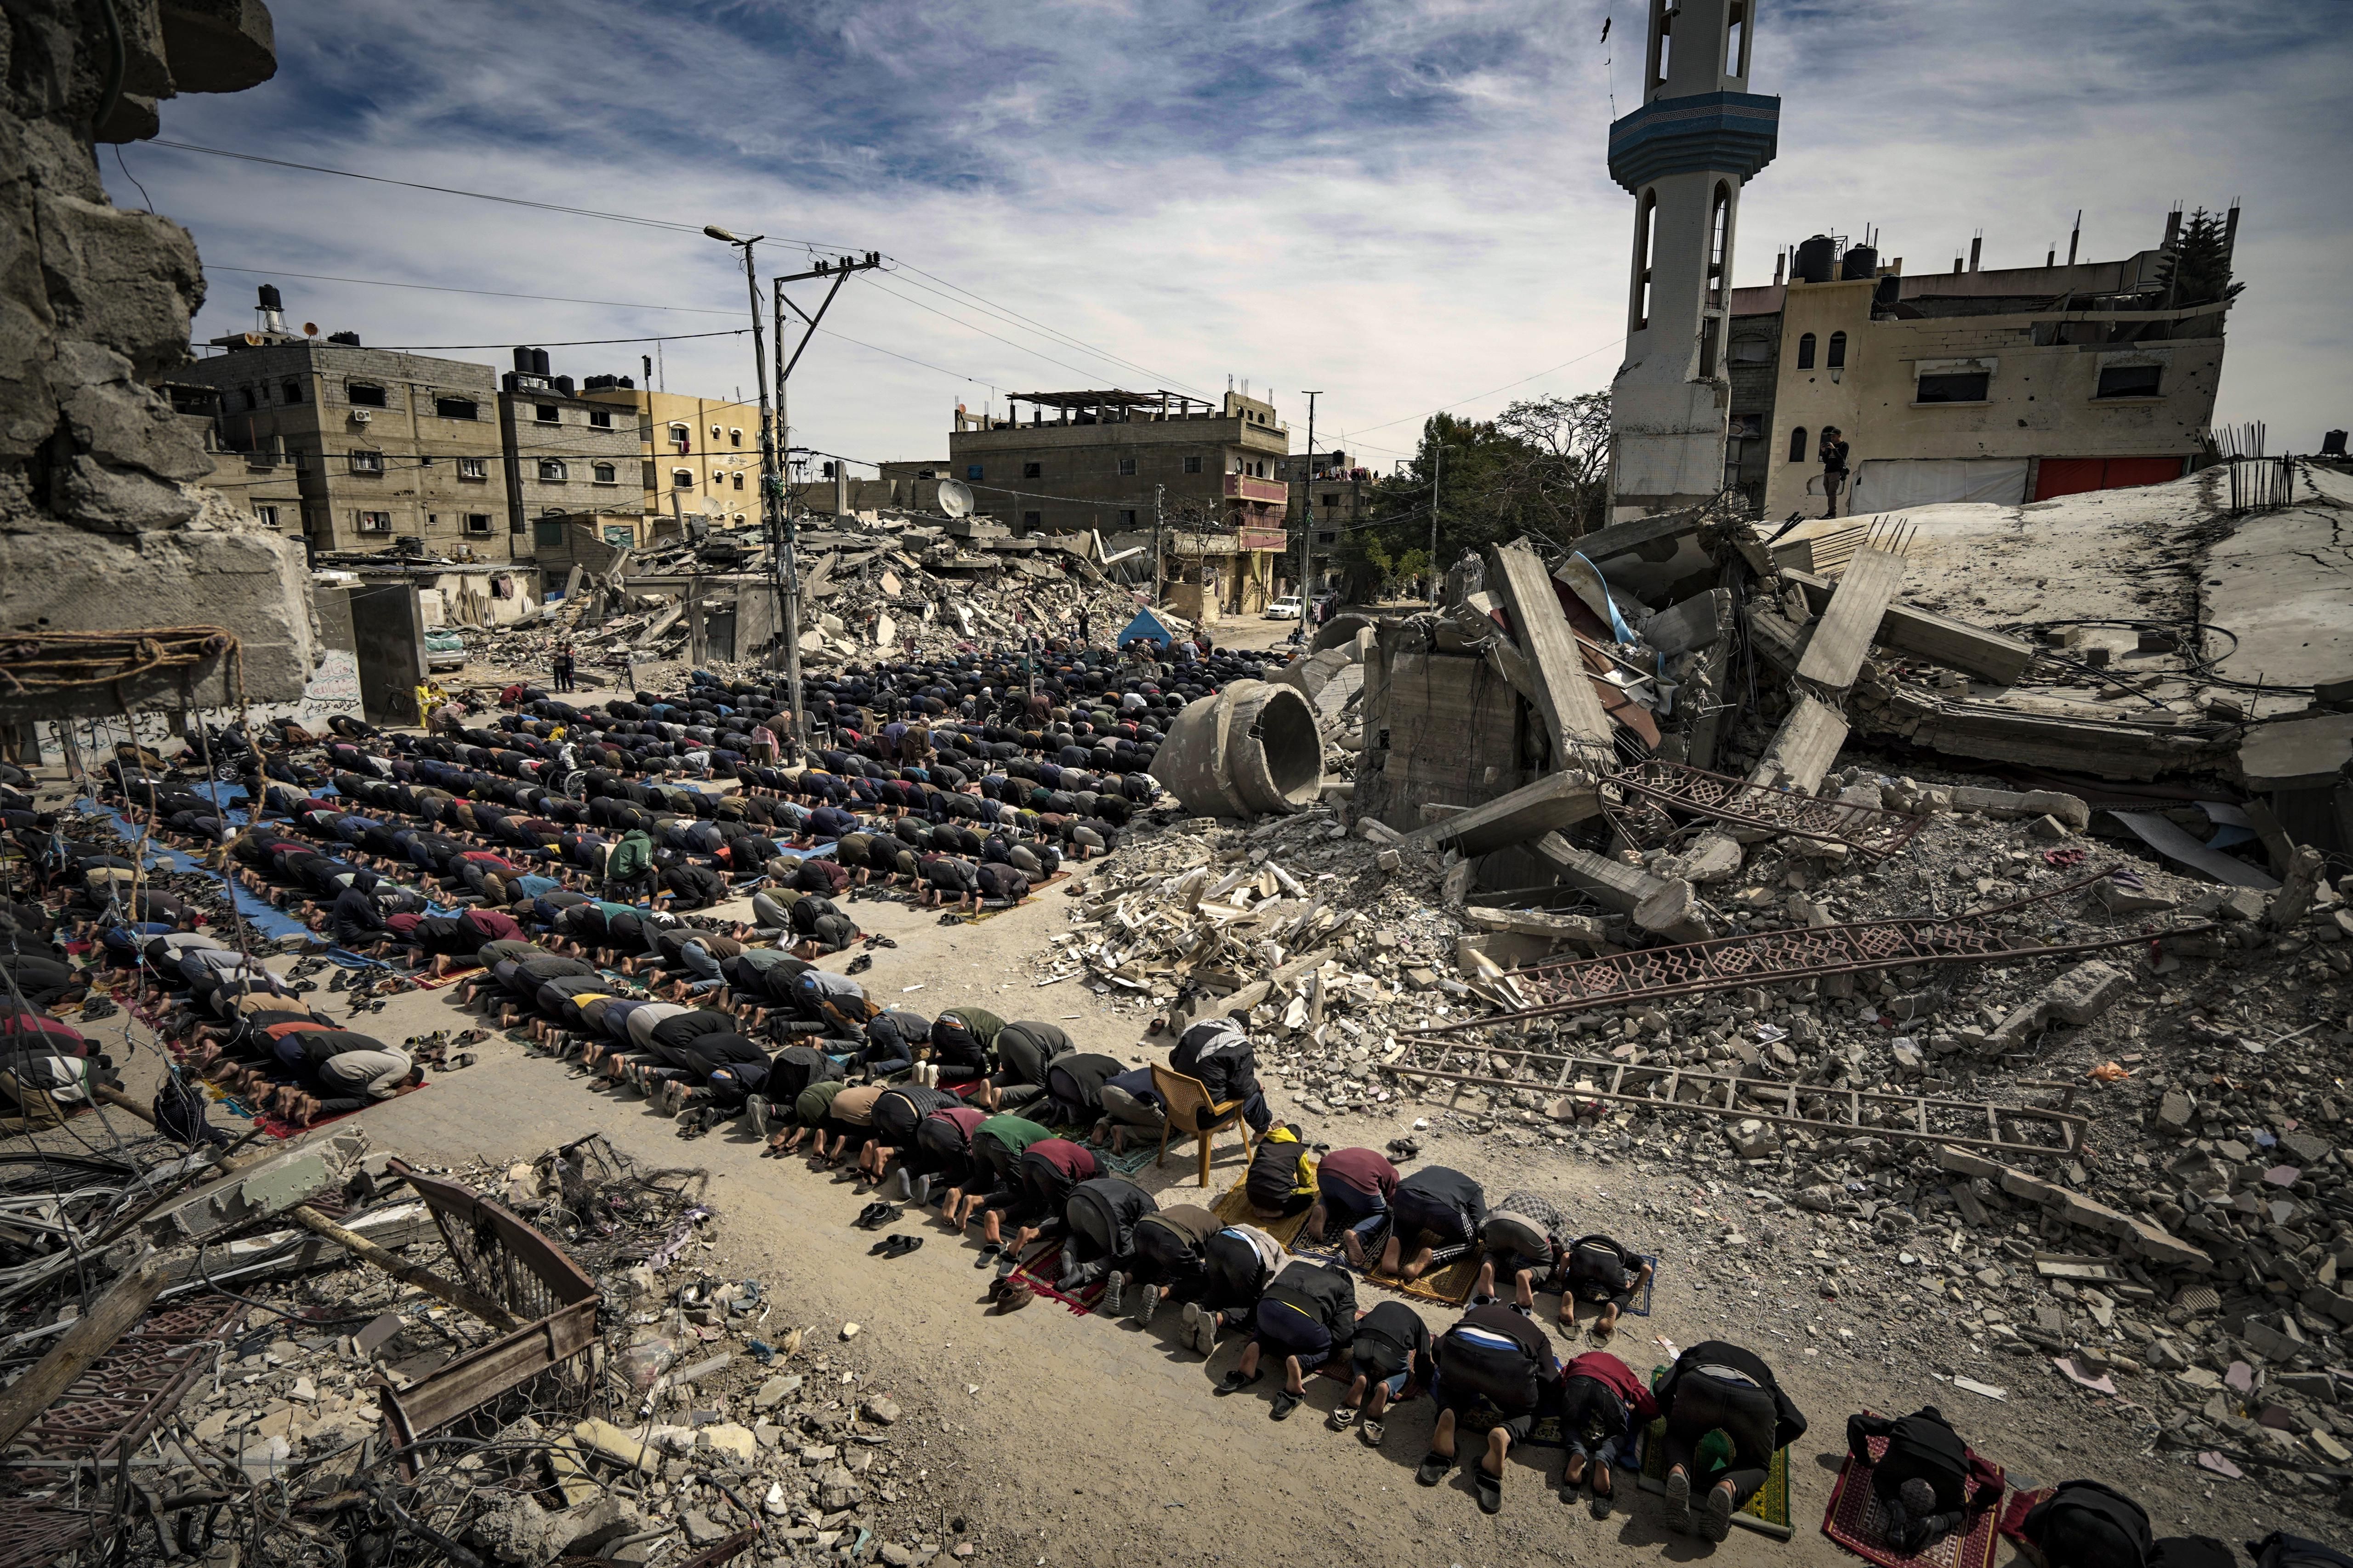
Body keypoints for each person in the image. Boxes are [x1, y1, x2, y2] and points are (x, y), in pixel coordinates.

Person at [1654, 1340, 1808, 1541]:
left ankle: (1678, 1471)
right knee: (1756, 1465)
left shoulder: (1695, 1352)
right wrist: (1765, 1448)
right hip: (1753, 1400)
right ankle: (1728, 1487)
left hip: (1700, 1387)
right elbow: (1797, 1423)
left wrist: (1675, 1421)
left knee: (1677, 1439)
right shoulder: (1764, 1372)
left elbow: (1661, 1388)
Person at [1417, 1301, 1561, 1514]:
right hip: (1508, 1367)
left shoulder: (1477, 1311)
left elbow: (1438, 1347)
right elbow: (1550, 1380)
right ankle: (1505, 1433)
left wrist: (1450, 1370)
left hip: (1460, 1352)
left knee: (1450, 1389)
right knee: (1530, 1411)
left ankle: (1449, 1413)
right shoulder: (1537, 1333)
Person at [1845, 1406, 2005, 1555]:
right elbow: (1997, 1484)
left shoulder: (1908, 1423)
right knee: (1954, 1510)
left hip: (1906, 1450)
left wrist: (1865, 1459)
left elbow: (1856, 1421)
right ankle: (1933, 1523)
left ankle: (1897, 1508)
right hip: (1948, 1468)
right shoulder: (1960, 1445)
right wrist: (1980, 1501)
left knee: (1883, 1480)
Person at [1216, 1258, 1356, 1422]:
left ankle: (1256, 1346)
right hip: (1302, 1322)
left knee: (1270, 1325)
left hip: (1267, 1308)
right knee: (1328, 1346)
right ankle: (1300, 1363)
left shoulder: (1297, 1265)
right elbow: (1343, 1336)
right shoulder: (1344, 1287)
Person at [1557, 1349, 1655, 1518]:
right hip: (1610, 1389)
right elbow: (1651, 1408)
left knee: (1569, 1423)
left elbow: (1564, 1376)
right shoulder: (1625, 1372)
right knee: (1618, 1433)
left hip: (1580, 1378)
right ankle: (1604, 1458)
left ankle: (1577, 1452)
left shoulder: (1584, 1358)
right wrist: (1634, 1409)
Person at [1330, 1299, 1433, 1447]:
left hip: (1365, 1337)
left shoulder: (1382, 1306)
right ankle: (1386, 1387)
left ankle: (1361, 1378)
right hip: (1391, 1349)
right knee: (1402, 1371)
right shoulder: (1419, 1324)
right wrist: (1426, 1377)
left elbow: (1357, 1326)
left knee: (1359, 1359)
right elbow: (1423, 1358)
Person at [1381, 1165, 1485, 1284]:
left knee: (1402, 1218)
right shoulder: (1475, 1189)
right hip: (1440, 1207)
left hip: (1405, 1194)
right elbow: (1482, 1223)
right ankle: (1432, 1255)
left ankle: (1396, 1239)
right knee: (1471, 1241)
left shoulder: (1434, 1169)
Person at [1166, 1015, 1270, 1133]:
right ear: (1245, 1030)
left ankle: (1228, 1124)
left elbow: (1174, 1059)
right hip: (1206, 1117)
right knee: (1255, 1094)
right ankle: (1263, 1133)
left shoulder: (1196, 1030)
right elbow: (1242, 1091)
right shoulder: (1240, 1046)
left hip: (1176, 1105)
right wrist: (1256, 1085)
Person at [1303, 1145, 1397, 1268]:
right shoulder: (1392, 1172)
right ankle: (1357, 1234)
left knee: (1333, 1196)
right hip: (1359, 1182)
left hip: (1325, 1171)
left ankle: (1323, 1209)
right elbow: (1393, 1198)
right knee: (1381, 1213)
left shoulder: (1358, 1152)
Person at [1476, 1189, 1567, 1314]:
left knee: (1493, 1252)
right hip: (1531, 1230)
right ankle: (1527, 1275)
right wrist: (1558, 1257)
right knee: (1548, 1265)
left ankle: (1489, 1264)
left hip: (1501, 1221)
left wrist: (1488, 1239)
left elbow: (1487, 1220)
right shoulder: (1552, 1212)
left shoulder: (1515, 1196)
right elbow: (1560, 1240)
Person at [1560, 1231, 1652, 1339]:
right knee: (1622, 1295)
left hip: (1584, 1257)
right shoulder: (1624, 1252)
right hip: (1610, 1265)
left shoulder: (1581, 1243)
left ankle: (1570, 1295)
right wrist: (1630, 1292)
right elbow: (1648, 1270)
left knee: (1572, 1284)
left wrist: (1560, 1278)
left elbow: (1566, 1257)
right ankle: (1615, 1307)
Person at [1819, 426, 1852, 519]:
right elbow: (1826, 460)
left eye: (1834, 437)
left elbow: (1841, 459)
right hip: (1828, 471)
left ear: (1839, 436)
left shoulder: (1844, 445)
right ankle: (1830, 512)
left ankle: (1832, 513)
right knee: (1829, 493)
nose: (1832, 439)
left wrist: (1834, 449)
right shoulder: (1830, 447)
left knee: (1832, 492)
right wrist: (1824, 452)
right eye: (1831, 437)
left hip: (1836, 471)